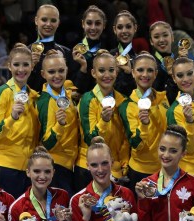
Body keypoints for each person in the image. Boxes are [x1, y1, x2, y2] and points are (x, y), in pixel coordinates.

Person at [135, 124, 194, 221]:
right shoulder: (147, 185)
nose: (166, 155)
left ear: (183, 153)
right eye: (162, 149)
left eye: (173, 151)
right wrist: (142, 201)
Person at [70, 136, 141, 221]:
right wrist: (86, 218)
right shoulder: (79, 200)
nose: (100, 169)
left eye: (104, 163)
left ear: (112, 162)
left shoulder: (126, 194)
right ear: (87, 166)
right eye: (94, 165)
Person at [0, 43, 39, 199]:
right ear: (9, 66)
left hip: (28, 170)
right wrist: (12, 118)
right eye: (16, 64)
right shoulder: (1, 93)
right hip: (5, 167)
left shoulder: (34, 96)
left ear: (32, 66)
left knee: (24, 220)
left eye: (25, 65)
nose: (21, 69)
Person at [75, 50, 128, 193]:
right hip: (88, 168)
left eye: (111, 70)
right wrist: (104, 121)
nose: (107, 75)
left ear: (117, 71)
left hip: (114, 168)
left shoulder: (123, 100)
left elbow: (125, 138)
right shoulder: (87, 99)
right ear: (93, 73)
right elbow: (90, 138)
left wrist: (124, 164)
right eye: (101, 70)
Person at [119, 52, 169, 194]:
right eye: (140, 70)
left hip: (165, 169)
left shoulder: (163, 99)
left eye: (150, 70)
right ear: (133, 73)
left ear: (156, 73)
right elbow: (137, 145)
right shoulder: (128, 105)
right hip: (140, 172)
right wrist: (144, 125)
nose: (145, 74)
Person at [8, 146, 71, 221]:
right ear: (28, 172)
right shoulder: (17, 207)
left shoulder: (62, 196)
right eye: (37, 171)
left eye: (47, 171)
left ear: (53, 173)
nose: (42, 176)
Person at [37, 49, 79, 195]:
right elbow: (47, 142)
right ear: (43, 74)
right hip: (56, 167)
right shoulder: (46, 101)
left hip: (69, 165)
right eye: (51, 72)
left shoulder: (66, 94)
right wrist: (59, 125)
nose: (57, 76)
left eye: (61, 71)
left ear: (67, 70)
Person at [28, 4, 77, 93]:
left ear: (58, 23)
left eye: (53, 20)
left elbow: (73, 87)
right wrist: (31, 67)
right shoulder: (26, 53)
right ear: (36, 20)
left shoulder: (66, 53)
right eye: (44, 19)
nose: (48, 24)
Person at [72, 5, 107, 95]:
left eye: (98, 23)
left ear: (104, 25)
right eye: (89, 23)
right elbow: (75, 91)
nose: (93, 27)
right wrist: (83, 67)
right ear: (83, 24)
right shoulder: (74, 52)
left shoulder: (109, 51)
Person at [110, 10, 137, 96]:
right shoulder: (109, 56)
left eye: (128, 27)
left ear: (135, 28)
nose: (124, 31)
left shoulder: (140, 60)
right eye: (120, 27)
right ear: (114, 29)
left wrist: (128, 74)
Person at [149, 21, 177, 104]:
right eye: (156, 37)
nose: (161, 40)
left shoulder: (179, 64)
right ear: (151, 41)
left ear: (172, 37)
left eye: (165, 35)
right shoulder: (149, 65)